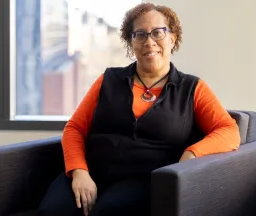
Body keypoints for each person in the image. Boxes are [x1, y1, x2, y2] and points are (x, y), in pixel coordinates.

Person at [38, 2, 241, 216]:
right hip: (90, 172)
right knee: (52, 211)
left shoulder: (192, 88)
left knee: (110, 210)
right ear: (131, 42)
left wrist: (192, 153)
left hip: (143, 181)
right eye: (140, 34)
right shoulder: (107, 80)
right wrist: (79, 172)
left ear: (172, 38)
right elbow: (74, 129)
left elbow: (229, 131)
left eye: (158, 33)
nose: (149, 42)